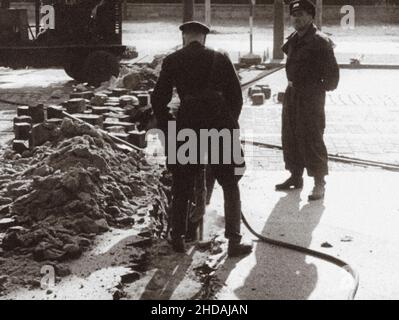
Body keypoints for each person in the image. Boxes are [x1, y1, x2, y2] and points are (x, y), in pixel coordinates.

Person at [152, 21, 252, 257]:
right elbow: (236, 98)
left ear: (185, 38)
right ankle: (234, 241)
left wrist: (170, 126)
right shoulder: (220, 58)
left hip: (188, 127)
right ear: (204, 38)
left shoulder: (173, 60)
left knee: (182, 183)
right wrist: (228, 122)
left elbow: (158, 101)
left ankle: (177, 238)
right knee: (230, 183)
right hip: (220, 126)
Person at [275, 0, 339, 201]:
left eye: (302, 14)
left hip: (311, 96)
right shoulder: (294, 38)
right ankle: (295, 176)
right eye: (294, 15)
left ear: (311, 16)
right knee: (291, 135)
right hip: (292, 93)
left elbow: (332, 79)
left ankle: (319, 183)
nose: (297, 18)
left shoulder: (320, 41)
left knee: (311, 136)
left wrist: (314, 89)